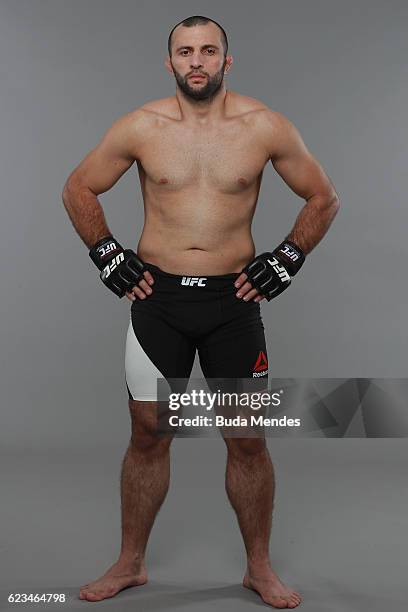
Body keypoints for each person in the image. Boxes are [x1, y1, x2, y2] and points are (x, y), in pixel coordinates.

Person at [62, 15, 339, 609]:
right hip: (158, 301)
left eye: (208, 51)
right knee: (148, 433)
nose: (197, 61)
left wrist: (287, 259)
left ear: (226, 61)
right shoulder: (142, 126)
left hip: (232, 304)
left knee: (246, 439)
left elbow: (324, 196)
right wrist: (108, 256)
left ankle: (258, 568)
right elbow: (77, 188)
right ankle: (131, 563)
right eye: (185, 51)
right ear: (170, 62)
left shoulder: (263, 126)